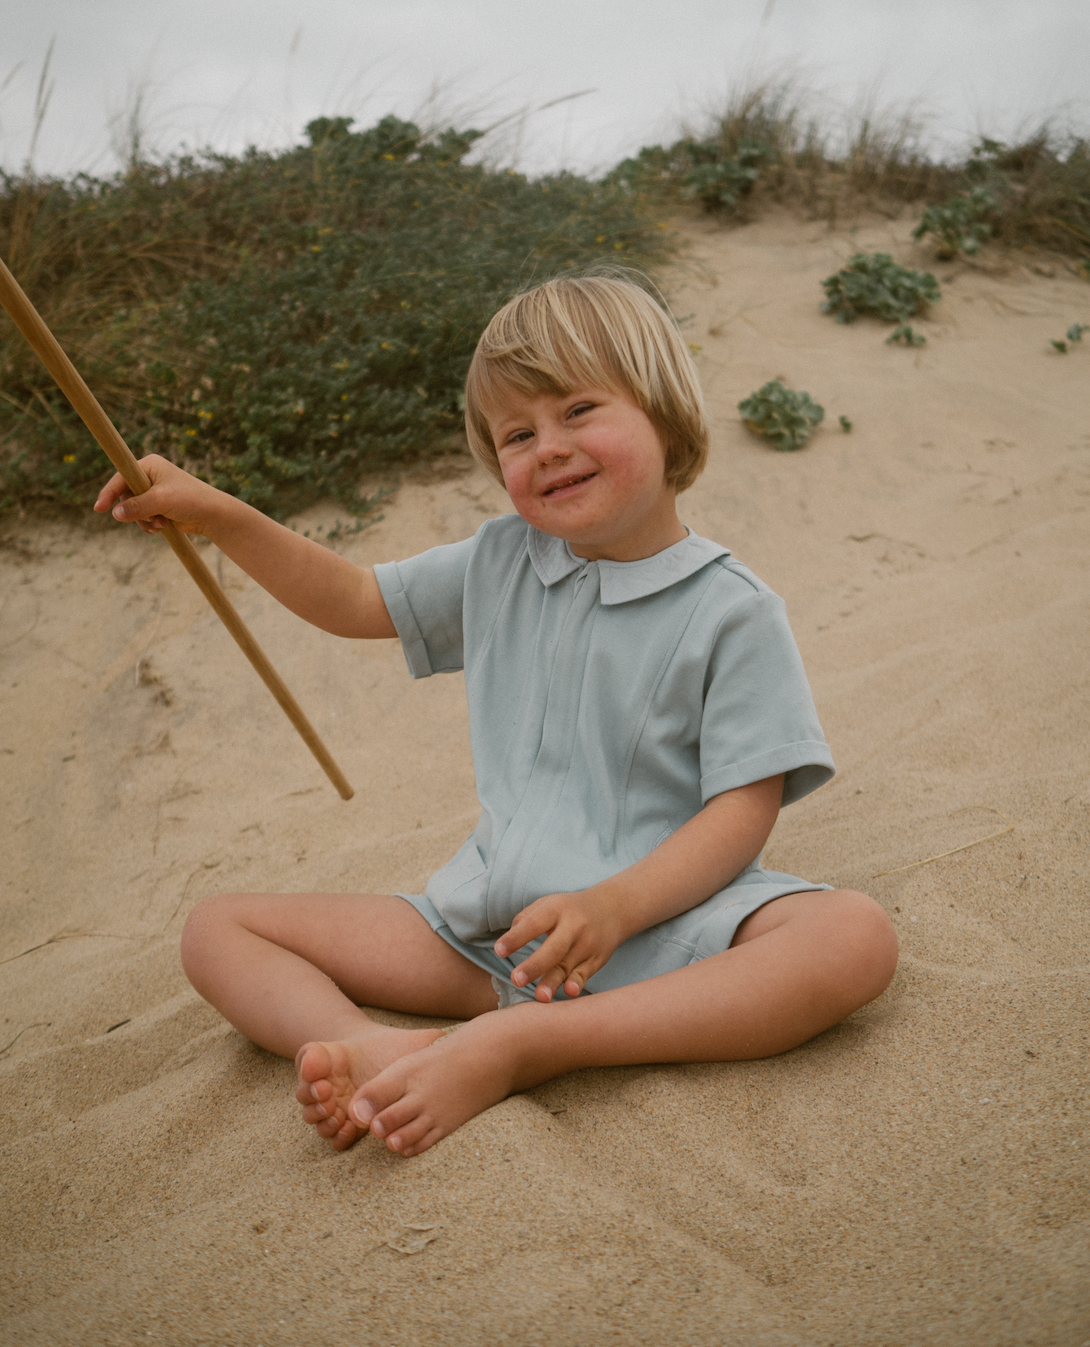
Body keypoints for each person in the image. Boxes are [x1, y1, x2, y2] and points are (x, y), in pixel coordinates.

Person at [95, 274, 897, 1160]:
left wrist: (616, 907)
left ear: (666, 414)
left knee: (849, 938)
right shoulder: (503, 559)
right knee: (219, 928)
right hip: (488, 935)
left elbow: (746, 806)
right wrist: (218, 513)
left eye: (579, 409)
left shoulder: (730, 609)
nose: (546, 447)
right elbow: (357, 598)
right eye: (517, 434)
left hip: (659, 928)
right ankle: (380, 1045)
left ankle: (535, 1042)